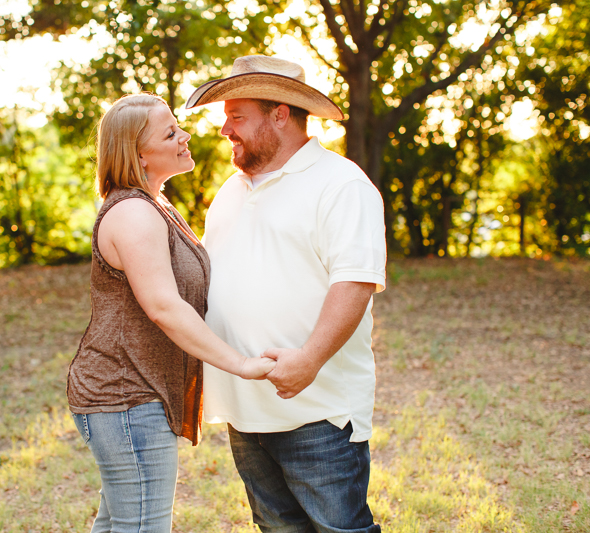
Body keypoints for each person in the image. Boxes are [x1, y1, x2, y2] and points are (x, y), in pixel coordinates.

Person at [185, 56, 387, 532]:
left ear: (280, 114)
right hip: (245, 407)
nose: (224, 128)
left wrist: (310, 358)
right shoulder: (231, 191)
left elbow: (354, 282)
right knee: (277, 529)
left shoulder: (341, 185)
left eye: (237, 115)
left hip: (317, 409)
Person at [66, 93, 276, 533]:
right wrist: (240, 364)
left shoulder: (157, 206)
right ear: (139, 154)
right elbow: (164, 306)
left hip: (136, 395)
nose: (185, 136)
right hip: (126, 398)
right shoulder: (133, 215)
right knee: (141, 526)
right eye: (170, 133)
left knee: (120, 524)